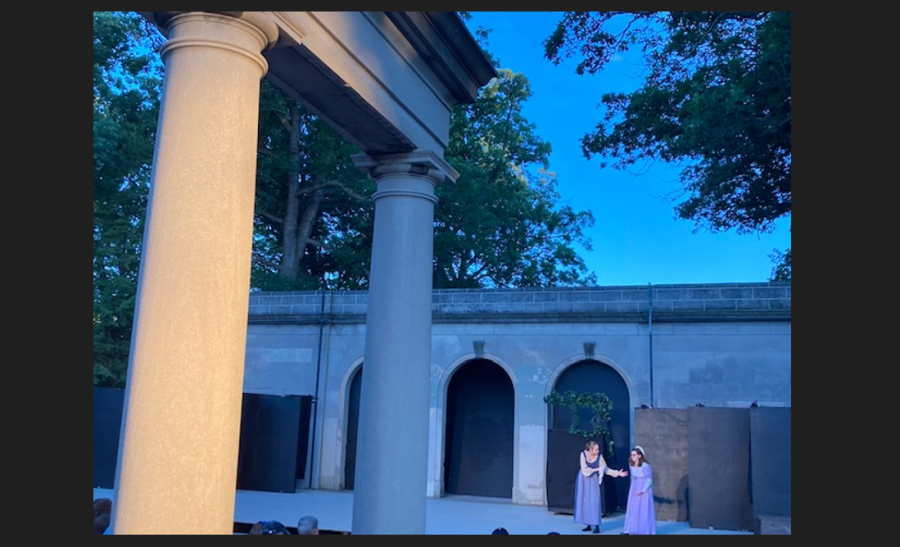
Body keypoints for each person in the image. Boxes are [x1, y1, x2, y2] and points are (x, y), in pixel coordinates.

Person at [573, 440, 627, 534]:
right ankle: (588, 524)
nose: (598, 451)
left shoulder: (599, 457)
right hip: (584, 480)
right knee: (585, 501)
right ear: (590, 449)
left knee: (594, 501)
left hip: (593, 481)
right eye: (596, 449)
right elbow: (585, 471)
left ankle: (596, 525)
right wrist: (597, 469)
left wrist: (618, 473)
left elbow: (605, 469)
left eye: (598, 449)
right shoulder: (583, 455)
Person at [621, 445, 656, 535]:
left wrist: (643, 490)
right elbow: (634, 477)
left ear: (639, 456)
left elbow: (649, 480)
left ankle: (644, 531)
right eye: (631, 455)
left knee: (643, 509)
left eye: (634, 455)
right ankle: (629, 529)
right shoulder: (631, 465)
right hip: (635, 487)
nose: (632, 457)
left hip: (644, 489)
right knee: (633, 508)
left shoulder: (645, 466)